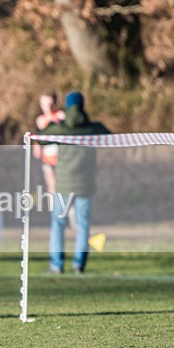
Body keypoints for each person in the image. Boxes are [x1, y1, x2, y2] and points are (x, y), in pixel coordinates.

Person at [38, 91, 110, 274]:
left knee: (58, 223)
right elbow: (111, 138)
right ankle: (79, 265)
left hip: (63, 186)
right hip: (85, 185)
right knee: (83, 224)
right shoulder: (94, 128)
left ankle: (56, 264)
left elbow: (40, 138)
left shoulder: (61, 128)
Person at [32, 92, 64, 193]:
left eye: (49, 104)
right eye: (44, 105)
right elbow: (38, 137)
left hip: (62, 159)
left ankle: (69, 208)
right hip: (48, 159)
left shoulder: (61, 116)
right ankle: (53, 208)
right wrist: (36, 147)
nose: (47, 108)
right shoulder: (40, 120)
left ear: (54, 104)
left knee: (65, 188)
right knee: (51, 187)